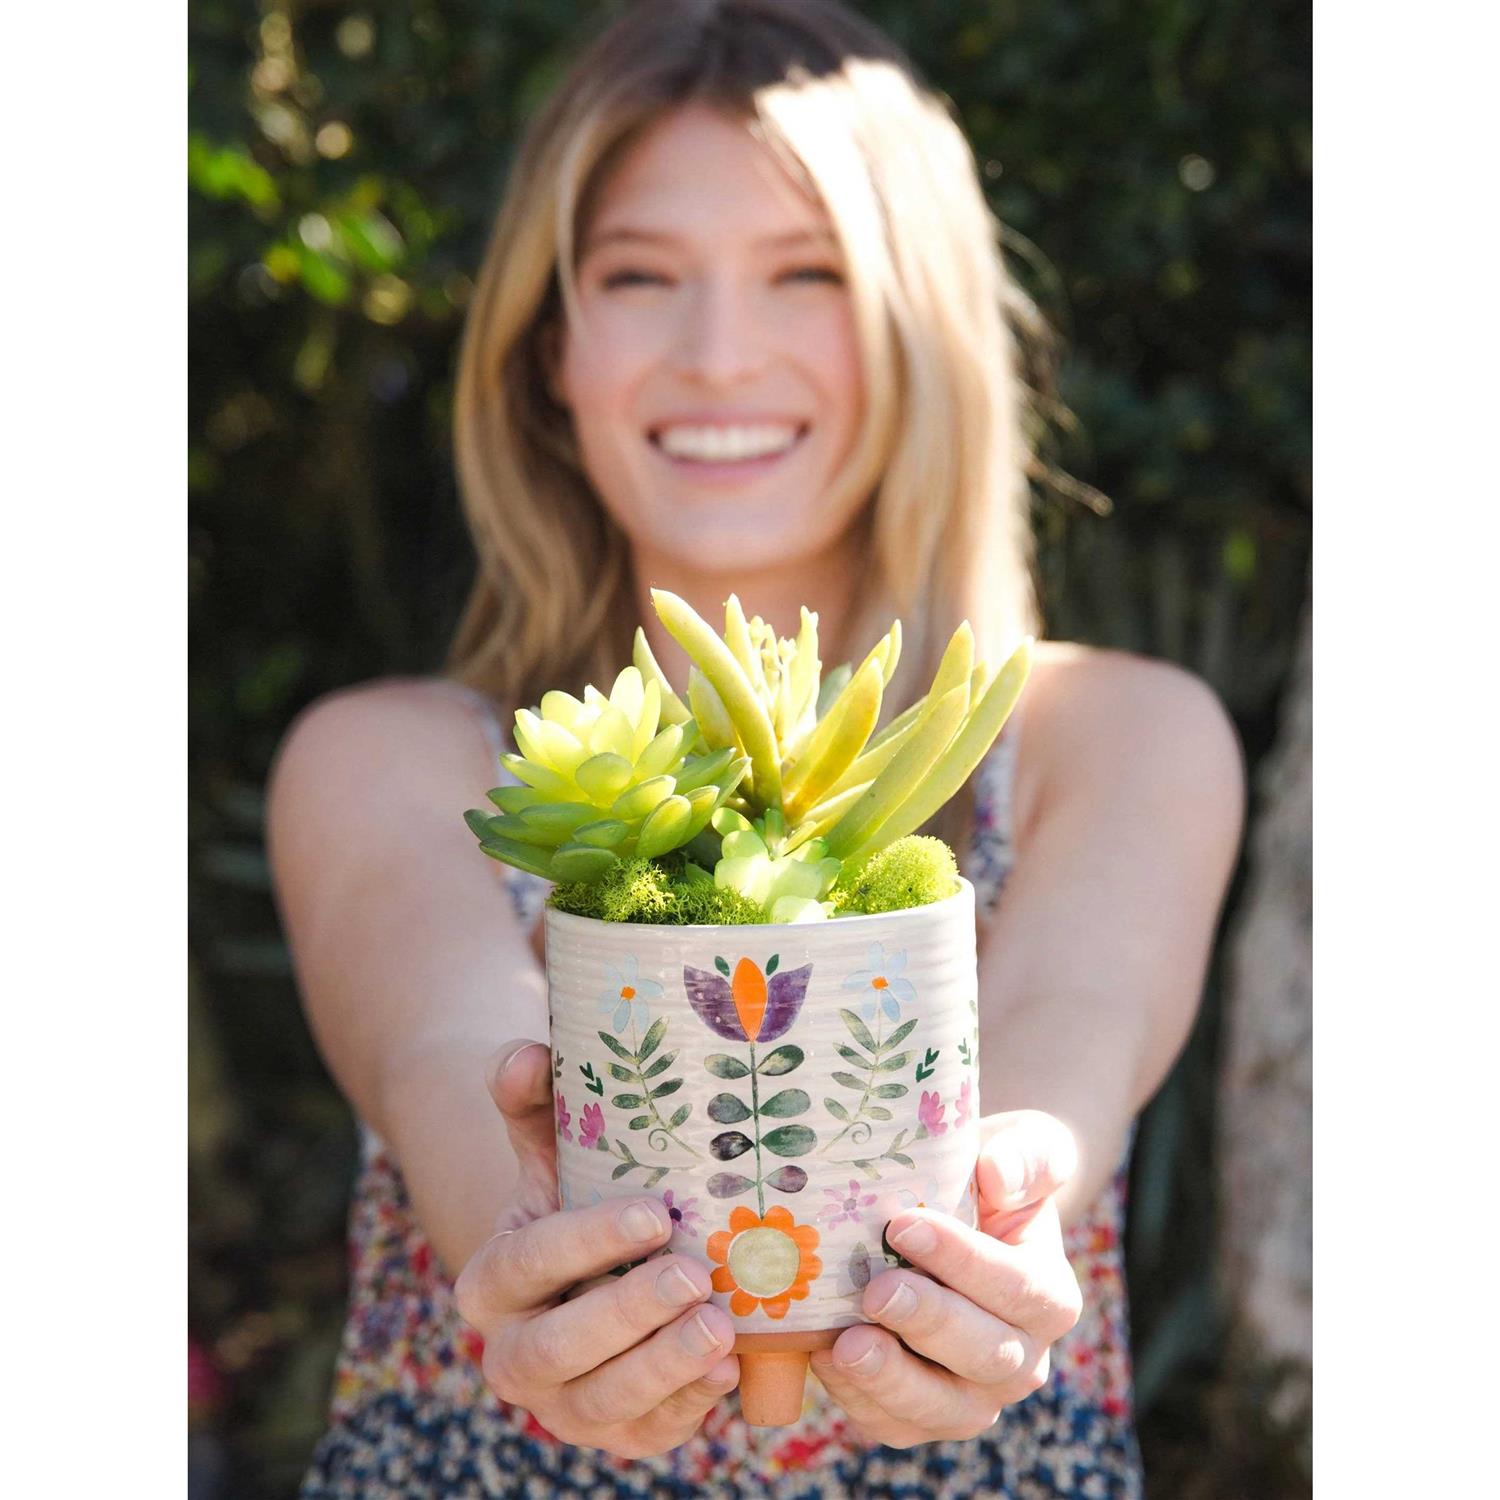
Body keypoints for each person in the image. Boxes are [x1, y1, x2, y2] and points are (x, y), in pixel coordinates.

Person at [267, 2, 1244, 1495]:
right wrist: (548, 1262)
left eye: (810, 274)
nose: (720, 356)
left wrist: (998, 1218)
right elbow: (448, 1055)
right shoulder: (387, 763)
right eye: (639, 275)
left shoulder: (1114, 737)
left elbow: (1069, 1042)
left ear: (921, 327)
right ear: (549, 350)